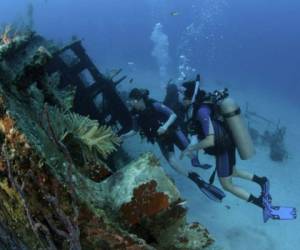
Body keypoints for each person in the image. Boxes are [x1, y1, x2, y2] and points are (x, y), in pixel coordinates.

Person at [120, 88, 225, 202]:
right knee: (172, 162)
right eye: (130, 102)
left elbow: (173, 115)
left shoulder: (154, 105)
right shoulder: (135, 115)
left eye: (133, 101)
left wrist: (165, 127)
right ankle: (195, 178)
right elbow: (135, 131)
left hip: (173, 131)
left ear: (140, 99)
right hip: (162, 139)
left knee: (191, 153)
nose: (131, 104)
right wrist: (123, 136)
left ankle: (217, 157)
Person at [180, 79, 269, 209]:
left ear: (190, 97)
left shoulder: (201, 111)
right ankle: (262, 181)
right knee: (233, 172)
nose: (182, 100)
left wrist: (191, 149)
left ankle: (261, 204)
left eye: (183, 97)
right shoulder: (201, 107)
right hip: (227, 144)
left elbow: (210, 140)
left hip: (223, 149)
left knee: (227, 185)